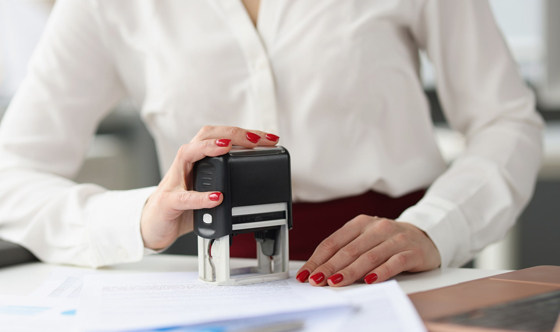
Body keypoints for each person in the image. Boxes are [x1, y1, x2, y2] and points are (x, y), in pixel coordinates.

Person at [0, 0, 543, 288]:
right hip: (213, 285)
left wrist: (437, 225)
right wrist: (141, 218)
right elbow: (12, 175)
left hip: (398, 274)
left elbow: (506, 120)